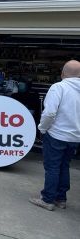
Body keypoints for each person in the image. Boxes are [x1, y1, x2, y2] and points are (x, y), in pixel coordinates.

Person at [29, 60, 80, 211]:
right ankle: (61, 199)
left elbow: (50, 112)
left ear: (63, 73)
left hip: (57, 134)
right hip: (75, 137)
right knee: (64, 166)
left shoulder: (59, 87)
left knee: (52, 167)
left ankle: (48, 199)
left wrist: (42, 128)